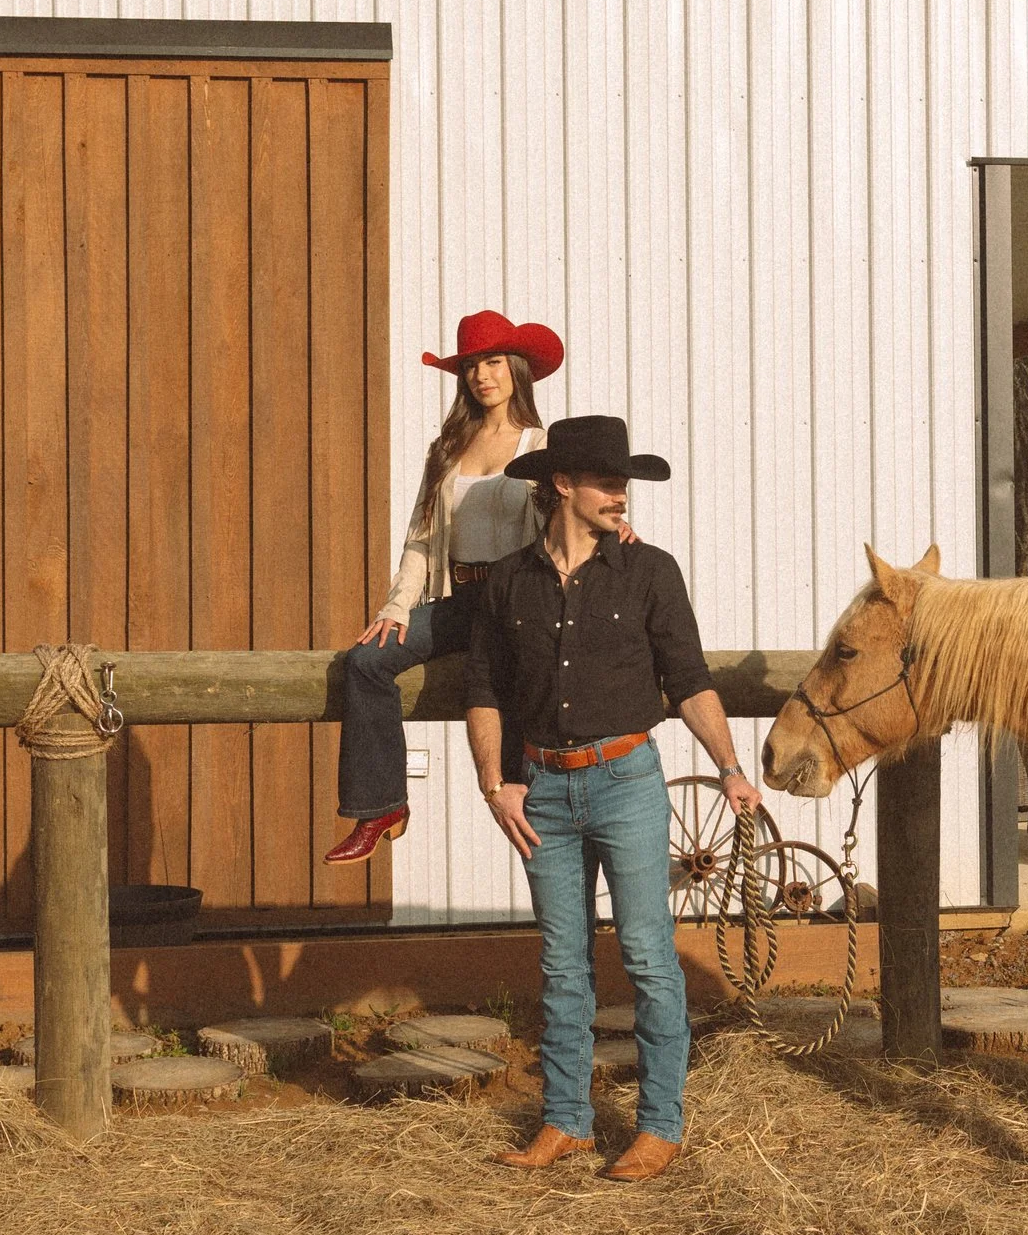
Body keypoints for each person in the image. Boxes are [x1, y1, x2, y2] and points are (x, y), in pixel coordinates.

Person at [465, 415, 759, 1183]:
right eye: (606, 481)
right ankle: (566, 1119)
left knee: (648, 958)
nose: (620, 495)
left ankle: (661, 1124)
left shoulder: (649, 571)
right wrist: (494, 784)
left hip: (627, 780)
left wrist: (729, 766)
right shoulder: (506, 583)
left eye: (625, 482)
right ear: (561, 484)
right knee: (562, 964)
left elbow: (688, 678)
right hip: (544, 791)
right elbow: (486, 690)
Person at [323, 310, 564, 865]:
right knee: (365, 661)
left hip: (518, 602)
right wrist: (397, 606)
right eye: (473, 366)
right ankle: (381, 806)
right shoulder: (446, 449)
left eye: (494, 362)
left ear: (517, 370)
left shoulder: (542, 442)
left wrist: (615, 524)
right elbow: (419, 537)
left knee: (517, 696)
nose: (483, 375)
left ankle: (544, 818)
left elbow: (576, 508)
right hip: (459, 599)